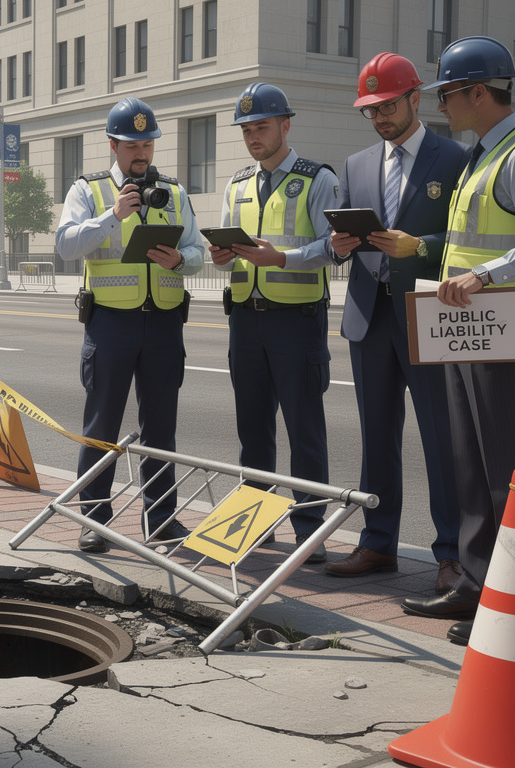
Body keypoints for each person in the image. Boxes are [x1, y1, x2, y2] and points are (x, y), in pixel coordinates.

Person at [398, 37, 515, 646]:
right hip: (472, 327)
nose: (442, 105)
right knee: (471, 465)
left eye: (447, 93)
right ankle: (477, 585)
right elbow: (472, 240)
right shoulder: (482, 155)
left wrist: (484, 276)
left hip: (510, 325)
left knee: (512, 468)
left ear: (478, 91)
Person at [323, 53, 466, 593]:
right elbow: (343, 239)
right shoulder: (357, 164)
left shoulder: (453, 159)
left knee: (440, 438)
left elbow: (465, 238)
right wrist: (338, 246)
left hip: (426, 315)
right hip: (369, 316)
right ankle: (378, 542)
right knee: (376, 436)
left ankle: (451, 552)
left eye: (387, 106)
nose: (380, 117)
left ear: (415, 99)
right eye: (370, 110)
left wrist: (422, 245)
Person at [55, 97, 205, 552]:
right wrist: (112, 216)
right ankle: (94, 520)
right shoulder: (88, 190)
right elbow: (65, 246)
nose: (142, 152)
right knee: (101, 425)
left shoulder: (174, 193)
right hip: (110, 324)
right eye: (132, 144)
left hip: (162, 324)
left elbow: (198, 253)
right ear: (113, 145)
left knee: (162, 429)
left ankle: (160, 521)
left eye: (148, 142)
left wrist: (180, 259)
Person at [208, 83, 340, 564]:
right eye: (246, 129)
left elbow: (334, 248)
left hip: (297, 322)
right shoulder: (237, 183)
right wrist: (220, 256)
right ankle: (257, 521)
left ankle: (310, 528)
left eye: (261, 126)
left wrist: (280, 257)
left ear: (286, 125)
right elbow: (223, 258)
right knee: (253, 429)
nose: (252, 137)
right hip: (246, 319)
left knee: (305, 429)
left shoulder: (317, 179)